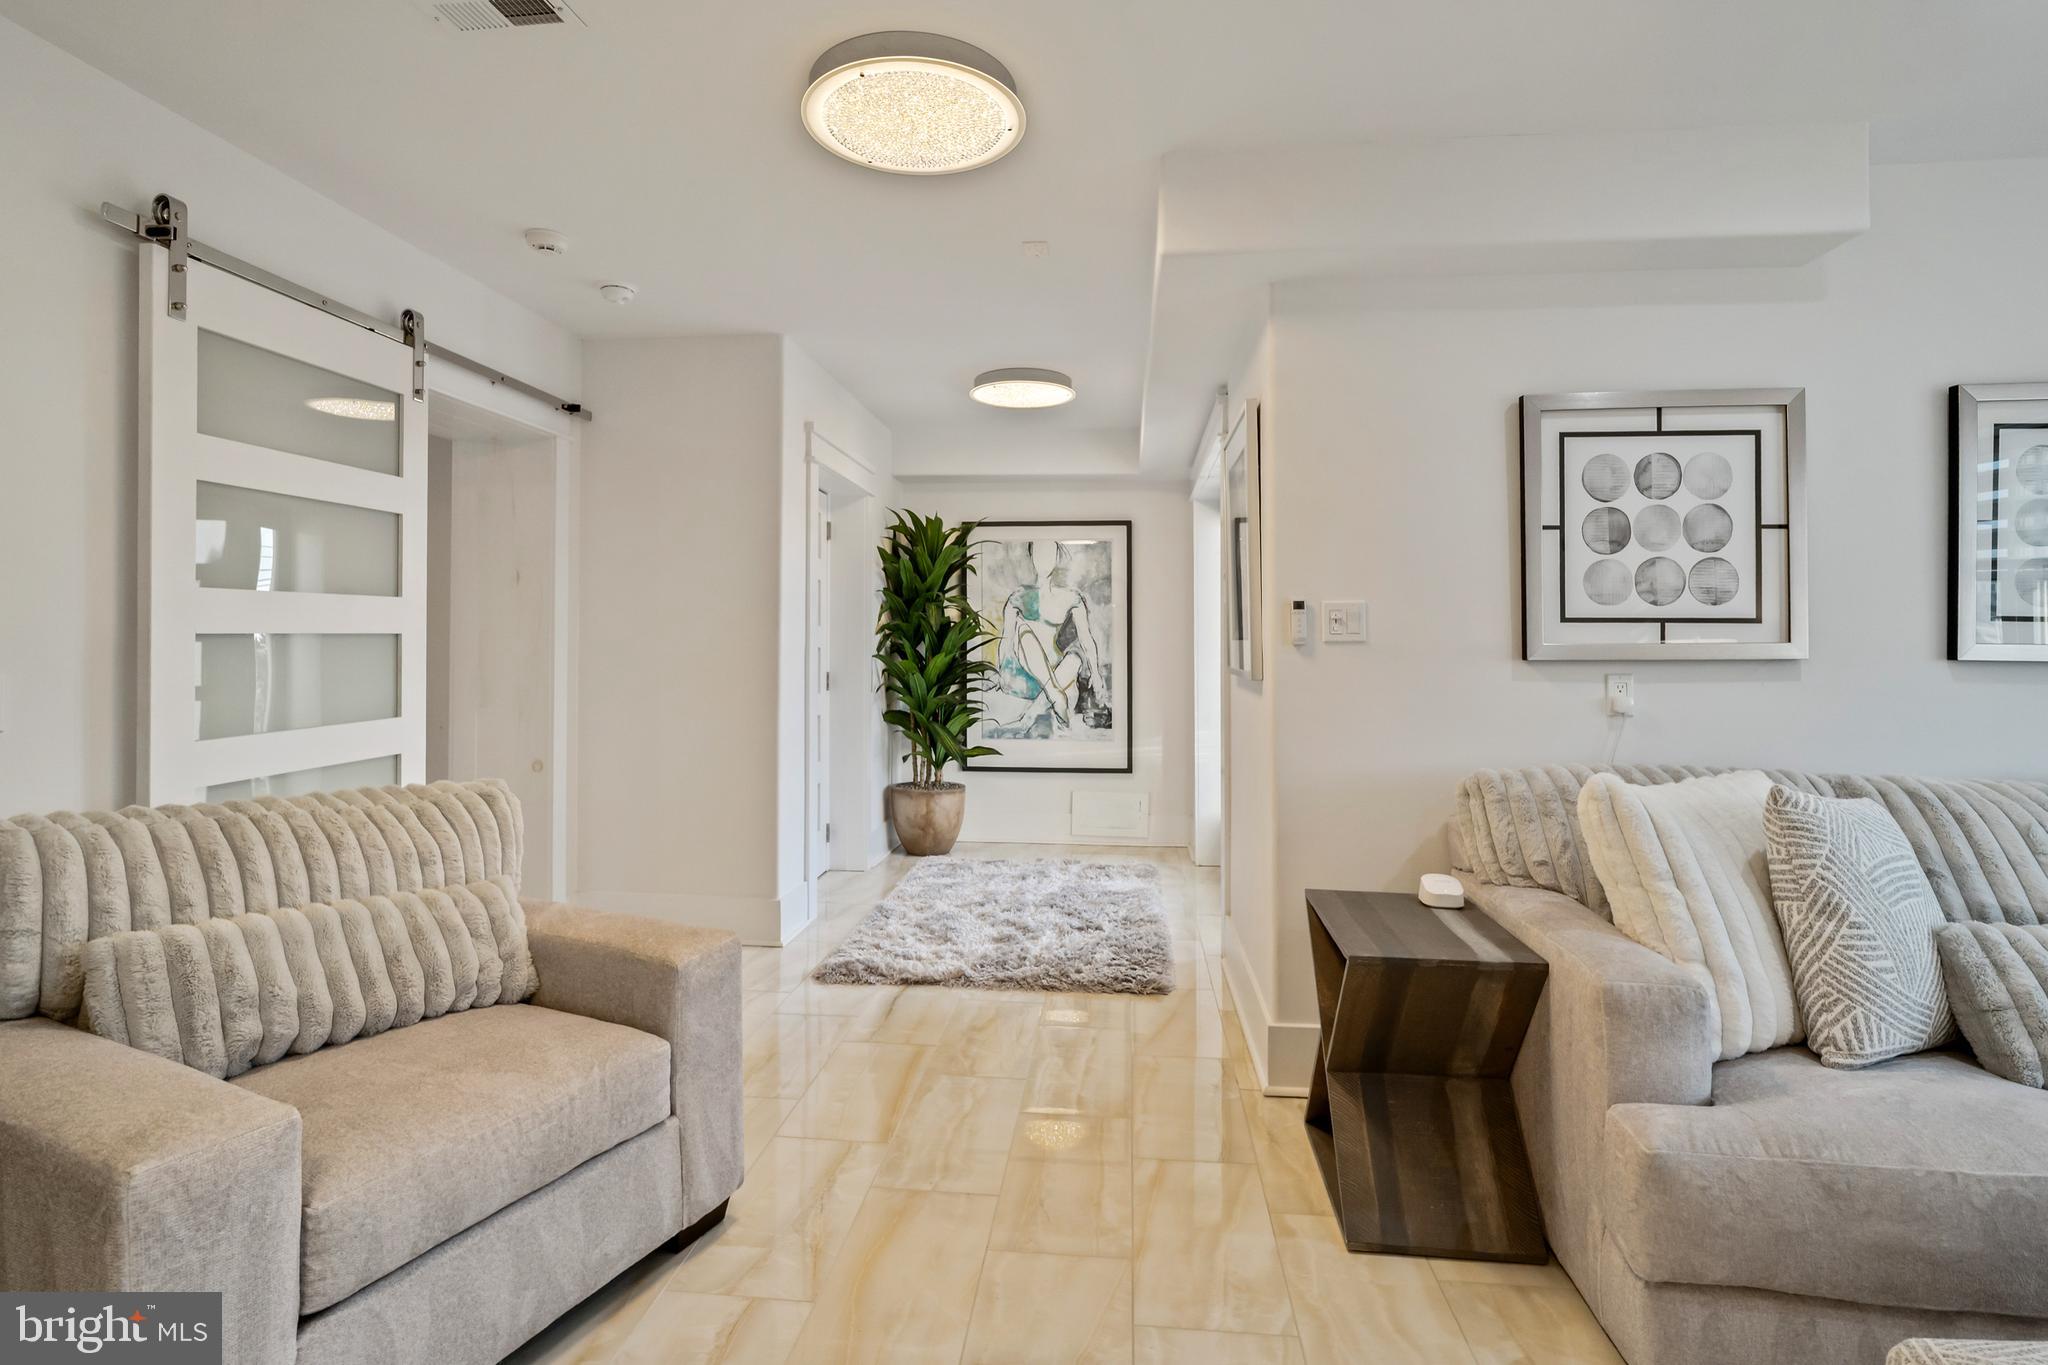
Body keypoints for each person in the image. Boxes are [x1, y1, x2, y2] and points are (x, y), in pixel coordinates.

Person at [985, 539, 1107, 739]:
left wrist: (1096, 674)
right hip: (1025, 675)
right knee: (1021, 630)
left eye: (1049, 554)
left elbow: (1086, 640)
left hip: (1059, 675)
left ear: (1057, 557)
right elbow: (1006, 640)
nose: (1044, 559)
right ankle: (1055, 696)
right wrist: (998, 672)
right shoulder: (1017, 598)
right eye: (1039, 553)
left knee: (1076, 658)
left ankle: (1040, 707)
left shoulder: (1072, 598)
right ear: (1031, 556)